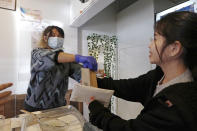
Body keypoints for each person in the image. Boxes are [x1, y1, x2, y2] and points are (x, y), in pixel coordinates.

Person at [88, 11, 197, 131]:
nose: (150, 45)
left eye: (155, 39)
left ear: (174, 48)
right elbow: (127, 87)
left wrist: (95, 108)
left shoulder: (177, 106)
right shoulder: (159, 76)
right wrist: (93, 81)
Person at [24, 25, 97, 112]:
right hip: (35, 107)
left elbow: (80, 74)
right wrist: (78, 57)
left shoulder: (66, 59)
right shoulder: (37, 53)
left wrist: (88, 73)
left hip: (58, 107)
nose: (57, 38)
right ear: (45, 38)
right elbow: (51, 57)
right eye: (53, 35)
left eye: (60, 36)